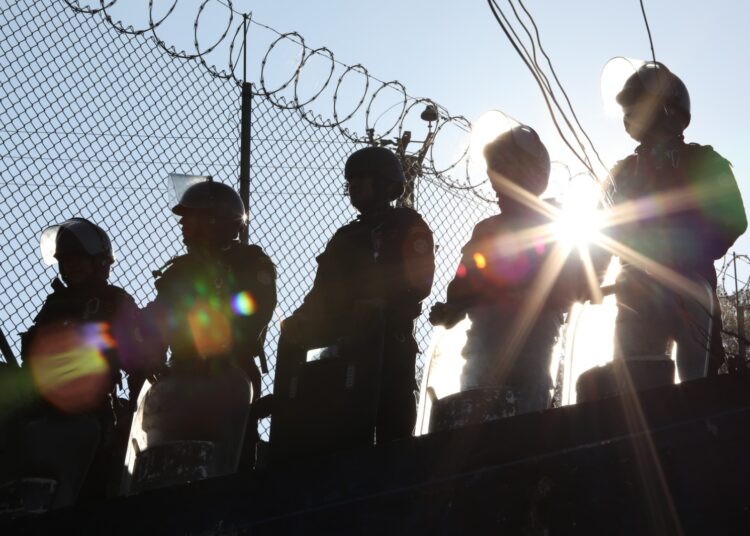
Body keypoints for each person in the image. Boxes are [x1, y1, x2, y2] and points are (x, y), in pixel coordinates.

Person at [430, 125, 602, 414]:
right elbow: (462, 284)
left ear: (533, 172)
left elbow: (581, 281)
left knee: (527, 412)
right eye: (493, 167)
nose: (495, 176)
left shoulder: (557, 221)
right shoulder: (486, 230)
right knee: (476, 411)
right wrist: (452, 309)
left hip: (534, 339)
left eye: (504, 165)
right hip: (484, 340)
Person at [280, 146, 435, 442]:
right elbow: (321, 293)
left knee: (393, 429)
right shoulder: (345, 237)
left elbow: (419, 282)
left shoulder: (406, 225)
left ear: (386, 183)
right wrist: (300, 318)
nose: (355, 186)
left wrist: (382, 303)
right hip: (342, 345)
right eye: (351, 180)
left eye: (363, 178)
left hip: (390, 341)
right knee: (338, 430)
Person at [606, 62, 747, 381]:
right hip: (635, 293)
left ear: (667, 108)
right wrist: (582, 277)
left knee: (696, 387)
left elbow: (733, 219)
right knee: (632, 390)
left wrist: (679, 247)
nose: (631, 113)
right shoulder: (622, 173)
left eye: (639, 103)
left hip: (691, 288)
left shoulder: (704, 161)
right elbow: (599, 232)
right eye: (630, 106)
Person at [132, 180, 276, 484]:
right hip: (181, 372)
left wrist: (223, 348)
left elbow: (256, 308)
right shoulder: (180, 272)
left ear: (215, 220)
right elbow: (160, 317)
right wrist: (151, 351)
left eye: (191, 217)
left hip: (231, 369)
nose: (183, 224)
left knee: (233, 455)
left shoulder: (249, 262)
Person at [4, 217, 153, 507]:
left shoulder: (113, 301)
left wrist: (135, 413)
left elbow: (137, 360)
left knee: (92, 486)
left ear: (99, 262)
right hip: (41, 405)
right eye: (65, 260)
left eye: (78, 259)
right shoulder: (54, 304)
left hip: (91, 409)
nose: (70, 266)